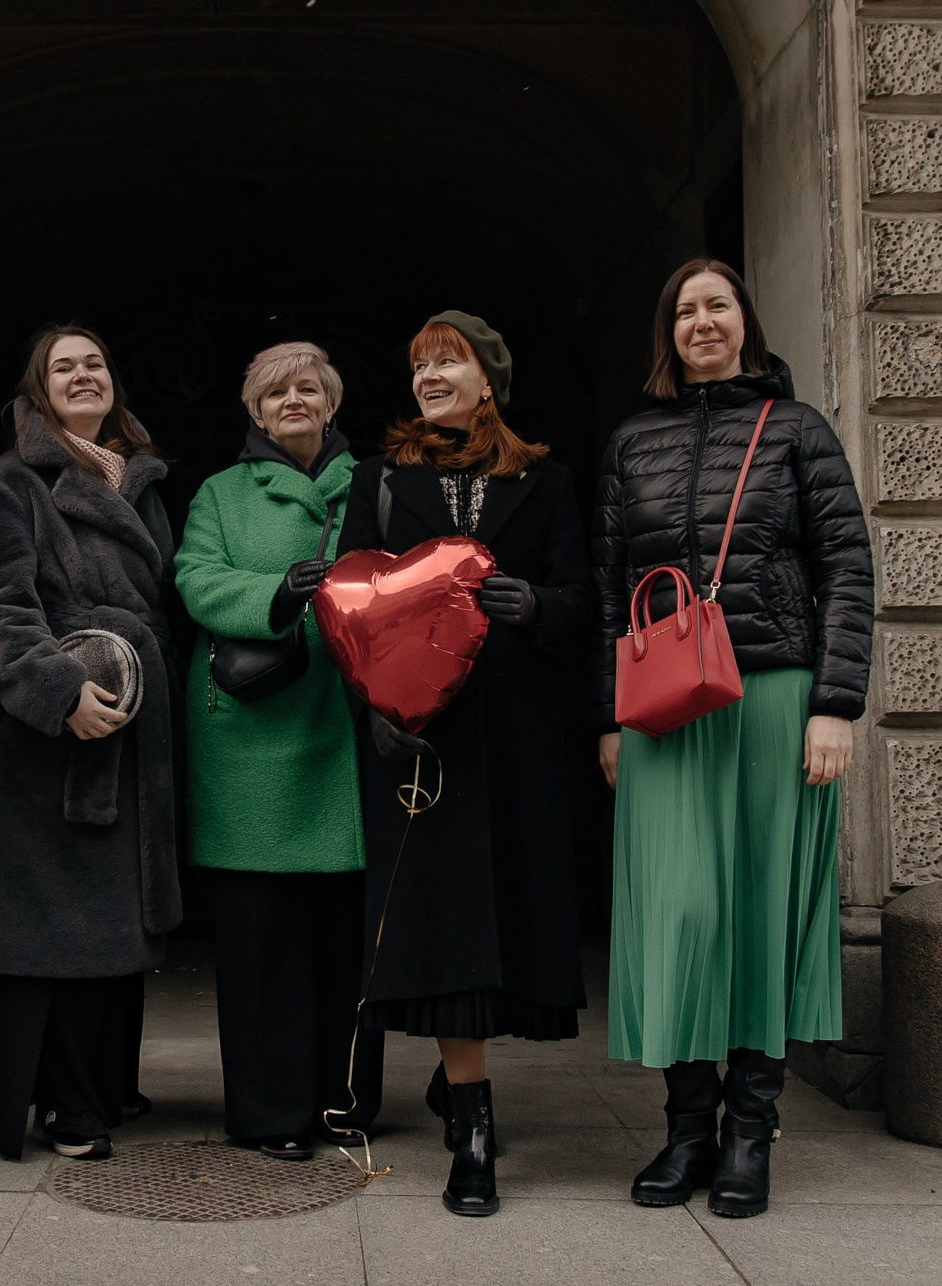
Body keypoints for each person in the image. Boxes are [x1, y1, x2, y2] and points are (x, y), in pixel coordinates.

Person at [591, 257, 874, 1220]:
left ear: (745, 320)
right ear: (667, 333)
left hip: (773, 694)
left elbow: (847, 565)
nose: (700, 322)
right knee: (681, 914)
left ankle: (750, 1135)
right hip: (665, 707)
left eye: (717, 306)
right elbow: (605, 595)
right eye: (684, 311)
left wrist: (836, 703)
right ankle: (685, 1131)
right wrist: (610, 719)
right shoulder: (634, 442)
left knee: (758, 911)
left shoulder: (796, 430)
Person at [336, 312, 595, 1218]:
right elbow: (350, 607)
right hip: (421, 738)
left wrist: (541, 607)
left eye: (447, 362)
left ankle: (459, 1090)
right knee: (445, 929)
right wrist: (373, 713)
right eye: (418, 366)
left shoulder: (550, 481)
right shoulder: (378, 480)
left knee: (508, 922)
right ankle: (475, 1128)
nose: (429, 377)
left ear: (489, 379)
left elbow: (583, 601)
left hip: (517, 735)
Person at [0, 325, 182, 1162]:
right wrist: (59, 697)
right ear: (40, 389)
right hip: (55, 736)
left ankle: (101, 1087)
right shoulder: (11, 481)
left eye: (96, 363)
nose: (83, 375)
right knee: (57, 931)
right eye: (65, 368)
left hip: (134, 723)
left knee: (113, 927)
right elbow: (0, 606)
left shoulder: (143, 483)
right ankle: (67, 1105)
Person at [175, 342, 384, 1160]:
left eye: (308, 389)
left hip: (342, 726)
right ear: (254, 412)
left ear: (331, 404)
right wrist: (272, 592)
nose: (291, 400)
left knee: (341, 940)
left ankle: (341, 1103)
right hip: (252, 738)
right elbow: (194, 577)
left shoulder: (371, 484)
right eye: (274, 393)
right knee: (260, 943)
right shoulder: (221, 492)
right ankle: (267, 1113)